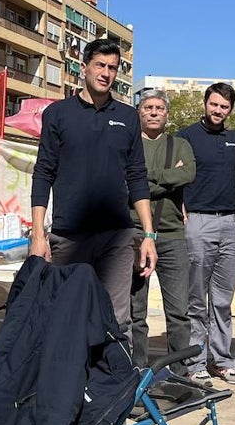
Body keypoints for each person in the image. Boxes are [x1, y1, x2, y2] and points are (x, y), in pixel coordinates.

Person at [30, 38, 157, 343]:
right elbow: (43, 173)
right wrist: (38, 234)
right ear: (83, 68)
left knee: (116, 321)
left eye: (112, 68)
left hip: (116, 238)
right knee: (66, 316)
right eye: (100, 65)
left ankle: (111, 388)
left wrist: (149, 236)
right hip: (69, 237)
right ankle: (70, 388)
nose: (106, 73)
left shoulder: (128, 117)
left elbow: (137, 177)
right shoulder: (58, 114)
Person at [178, 83, 235, 388]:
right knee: (196, 300)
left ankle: (222, 361)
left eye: (224, 107)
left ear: (230, 110)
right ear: (205, 103)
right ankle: (195, 363)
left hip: (230, 224)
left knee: (222, 300)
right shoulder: (186, 137)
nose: (218, 111)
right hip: (198, 222)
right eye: (214, 104)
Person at [129, 88, 196, 374]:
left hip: (172, 237)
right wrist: (168, 181)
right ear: (139, 112)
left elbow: (188, 174)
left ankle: (179, 373)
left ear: (167, 114)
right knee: (135, 312)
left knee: (179, 311)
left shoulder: (180, 145)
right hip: (134, 235)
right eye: (148, 107)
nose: (154, 112)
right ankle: (136, 370)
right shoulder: (129, 144)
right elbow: (125, 182)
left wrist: (145, 178)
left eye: (159, 108)